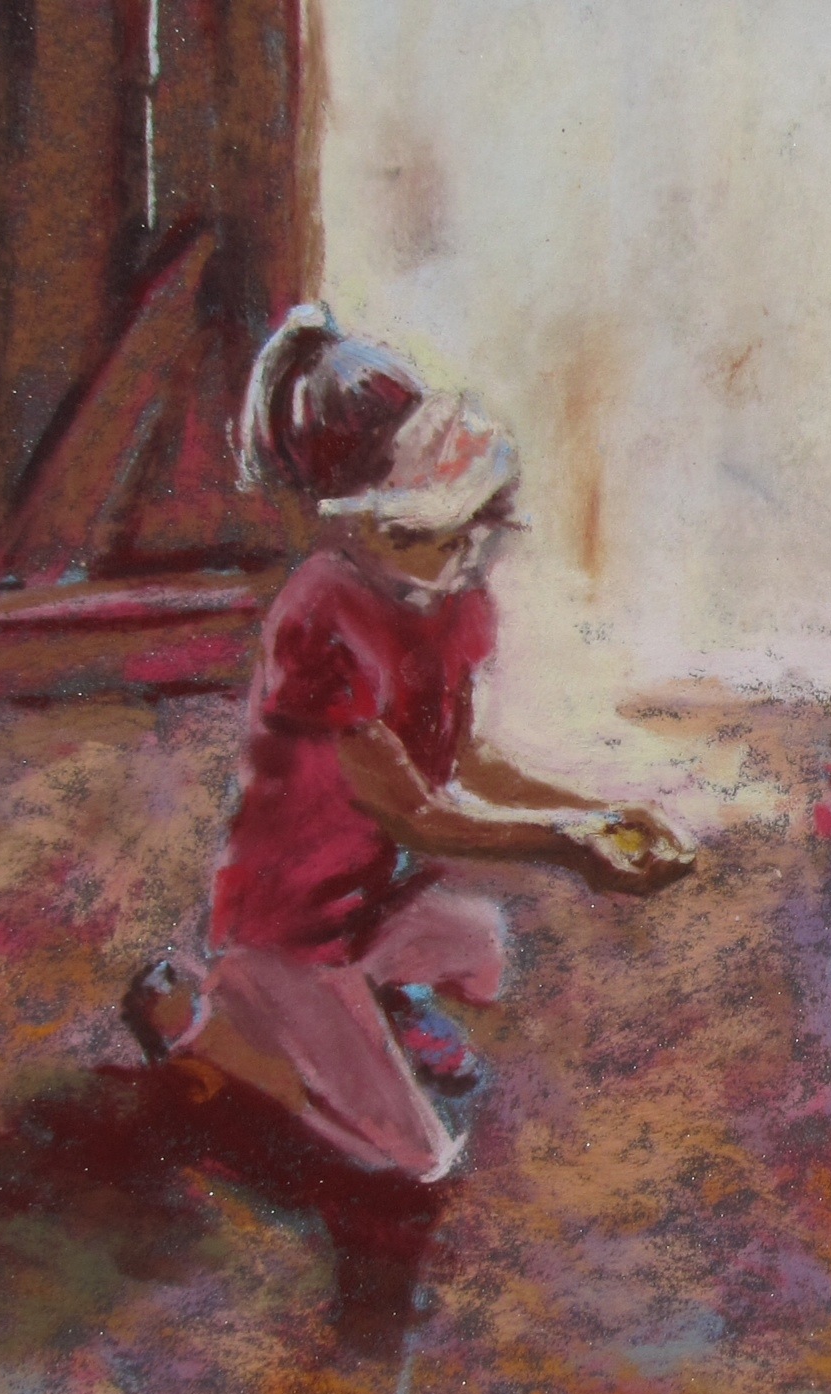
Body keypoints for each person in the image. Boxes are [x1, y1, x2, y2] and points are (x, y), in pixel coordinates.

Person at [121, 305, 694, 1183]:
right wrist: (567, 846)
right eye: (429, 532)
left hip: (368, 902)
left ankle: (357, 1011)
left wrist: (598, 811)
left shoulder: (454, 601)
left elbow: (467, 761)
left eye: (475, 526)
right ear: (354, 527)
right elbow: (416, 815)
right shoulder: (319, 617)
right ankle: (212, 1025)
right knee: (416, 1157)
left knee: (484, 947)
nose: (465, 553)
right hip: (291, 924)